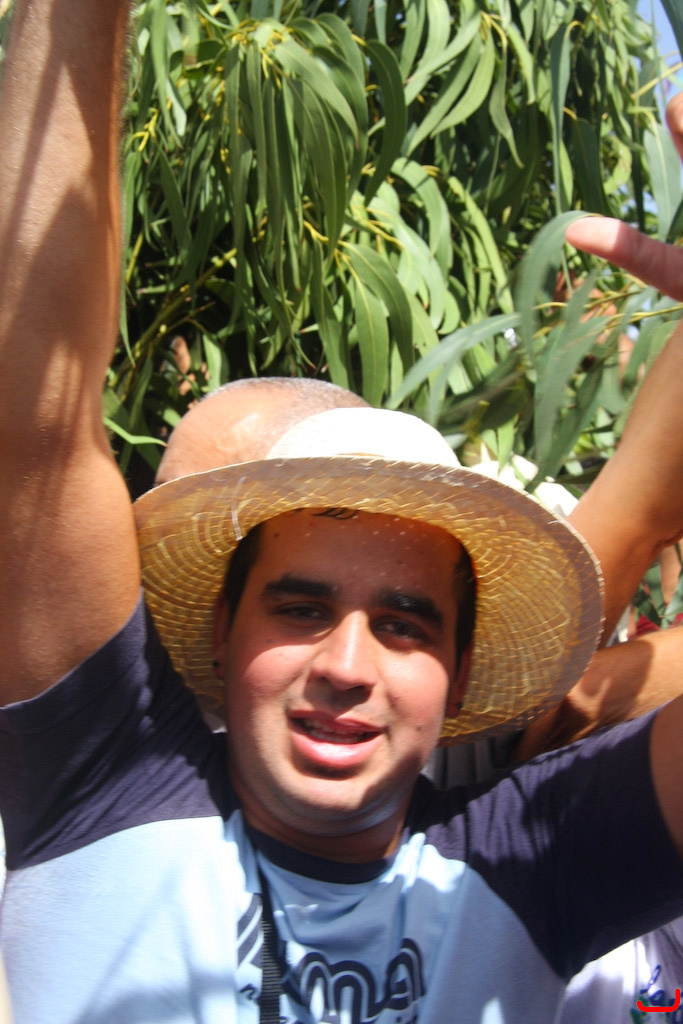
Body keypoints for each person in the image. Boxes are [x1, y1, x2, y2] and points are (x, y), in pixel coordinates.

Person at [2, 5, 683, 1024]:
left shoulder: (537, 862)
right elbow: (35, 420)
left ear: (460, 670)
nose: (347, 665)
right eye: (300, 607)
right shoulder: (100, 781)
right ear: (221, 631)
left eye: (405, 625)